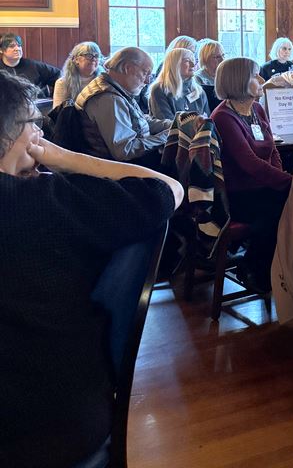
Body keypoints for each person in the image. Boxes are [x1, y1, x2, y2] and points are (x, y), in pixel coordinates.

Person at [0, 70, 183, 468]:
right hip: (48, 428)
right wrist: (62, 157)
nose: (40, 132)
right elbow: (169, 189)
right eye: (34, 124)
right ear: (14, 134)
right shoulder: (45, 203)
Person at [210, 58, 292, 293]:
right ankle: (255, 267)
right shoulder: (223, 117)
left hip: (262, 187)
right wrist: (289, 181)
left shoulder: (257, 109)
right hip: (238, 193)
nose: (261, 80)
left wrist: (282, 178)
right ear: (239, 81)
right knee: (284, 205)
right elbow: (249, 163)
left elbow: (272, 150)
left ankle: (270, 267)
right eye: (255, 75)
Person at [76, 47, 171, 165]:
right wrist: (167, 136)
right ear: (127, 68)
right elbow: (125, 150)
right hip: (127, 169)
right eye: (145, 73)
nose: (147, 81)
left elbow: (138, 122)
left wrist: (173, 125)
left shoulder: (116, 89)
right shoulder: (108, 99)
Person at [148, 47, 210, 120]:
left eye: (194, 61)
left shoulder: (199, 91)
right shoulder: (159, 90)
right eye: (187, 61)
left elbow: (208, 120)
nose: (193, 65)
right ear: (175, 64)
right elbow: (166, 122)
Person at [52, 41, 103, 108]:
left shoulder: (103, 81)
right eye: (88, 55)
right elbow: (58, 111)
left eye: (96, 56)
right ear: (76, 59)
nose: (93, 59)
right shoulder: (62, 83)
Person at [195, 38, 226, 111]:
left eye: (223, 55)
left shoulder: (227, 75)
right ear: (205, 59)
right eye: (217, 57)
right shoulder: (197, 78)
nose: (222, 60)